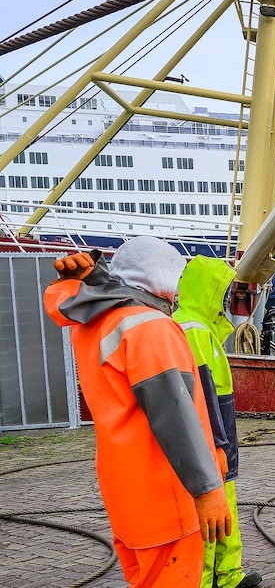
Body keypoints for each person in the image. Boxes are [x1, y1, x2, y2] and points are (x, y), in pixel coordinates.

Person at [43, 237, 231, 587]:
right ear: (162, 278)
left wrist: (89, 279)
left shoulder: (94, 323)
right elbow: (174, 416)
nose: (176, 292)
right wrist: (207, 491)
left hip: (126, 492)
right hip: (167, 494)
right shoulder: (150, 326)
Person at [173, 255, 263, 588]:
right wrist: (219, 446)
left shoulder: (202, 328)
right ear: (209, 291)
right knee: (211, 515)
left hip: (218, 437)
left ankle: (229, 576)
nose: (228, 299)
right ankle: (208, 581)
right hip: (212, 441)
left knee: (226, 510)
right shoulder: (194, 330)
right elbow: (201, 398)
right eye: (224, 291)